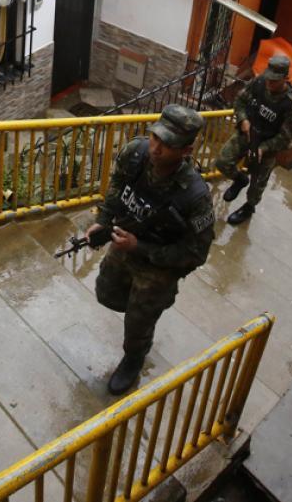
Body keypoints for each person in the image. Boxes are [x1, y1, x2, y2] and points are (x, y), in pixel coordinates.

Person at [87, 105, 216, 396]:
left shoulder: (195, 197)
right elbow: (117, 184)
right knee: (105, 292)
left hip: (159, 265)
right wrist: (103, 222)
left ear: (186, 150)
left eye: (167, 145)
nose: (156, 149)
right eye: (155, 138)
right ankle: (142, 316)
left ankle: (135, 356)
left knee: (138, 321)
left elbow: (196, 254)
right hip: (124, 242)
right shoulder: (135, 153)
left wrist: (141, 248)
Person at [215, 55, 292, 226]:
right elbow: (240, 100)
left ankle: (248, 208)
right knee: (222, 162)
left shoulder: (291, 105)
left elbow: (287, 138)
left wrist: (264, 148)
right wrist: (243, 119)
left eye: (275, 80)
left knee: (257, 185)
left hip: (267, 147)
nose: (270, 83)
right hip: (246, 135)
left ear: (285, 78)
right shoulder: (260, 82)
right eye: (268, 78)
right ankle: (239, 179)